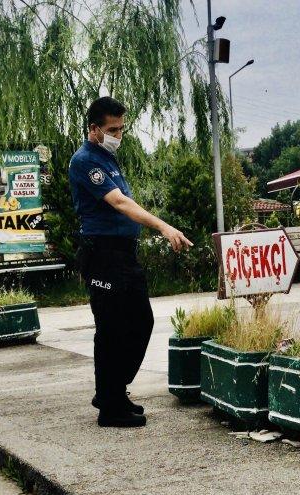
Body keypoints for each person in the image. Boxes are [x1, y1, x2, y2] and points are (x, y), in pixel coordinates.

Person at [68, 96, 193, 428]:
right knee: (111, 328)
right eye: (112, 129)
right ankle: (110, 405)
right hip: (103, 254)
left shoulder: (108, 159)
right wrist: (164, 226)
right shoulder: (85, 160)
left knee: (140, 322)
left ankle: (112, 391)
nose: (118, 135)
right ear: (94, 129)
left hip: (123, 253)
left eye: (122, 128)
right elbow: (120, 202)